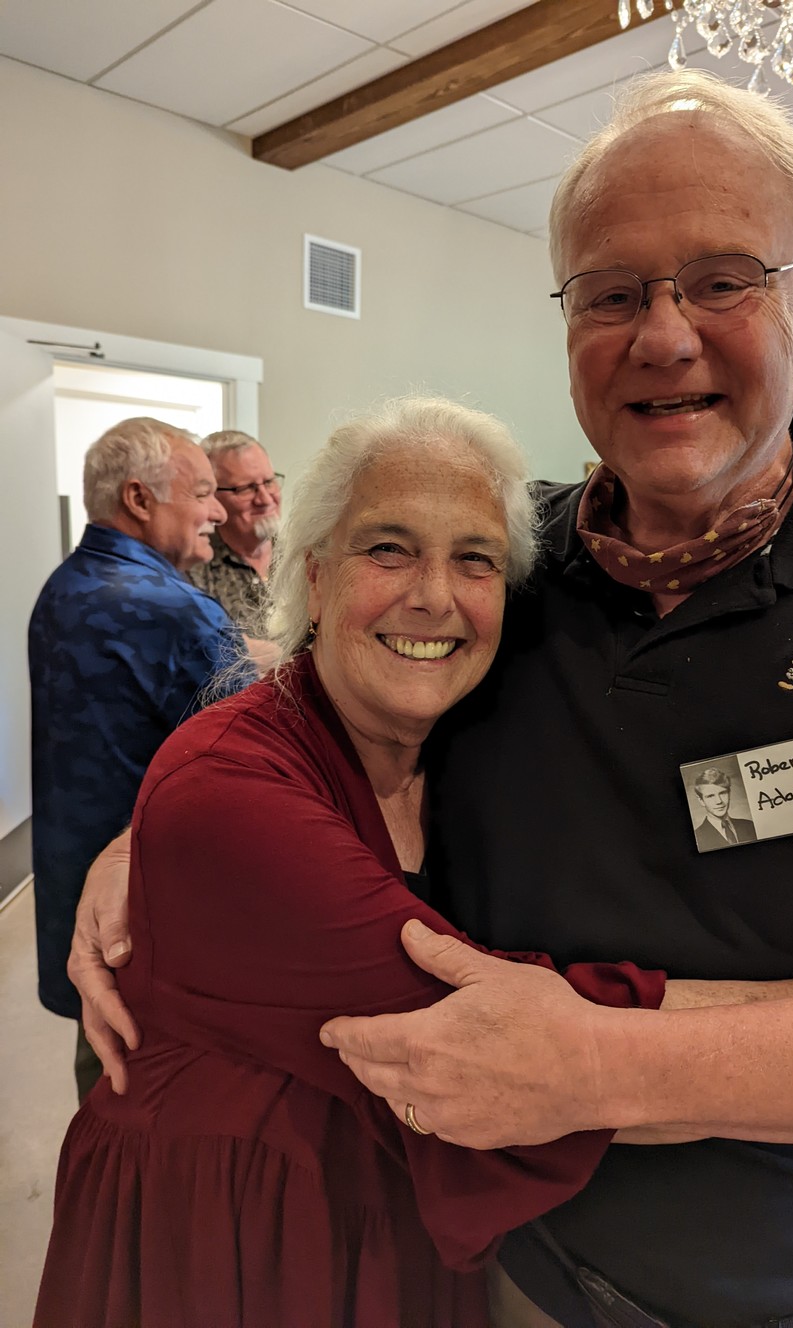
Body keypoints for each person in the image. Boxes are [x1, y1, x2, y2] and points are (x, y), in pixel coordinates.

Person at [69, 72, 793, 1326]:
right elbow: (318, 704)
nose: (663, 335)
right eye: (612, 293)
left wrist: (607, 1061)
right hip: (508, 1272)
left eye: (721, 279)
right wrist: (153, 838)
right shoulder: (508, 567)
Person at [34, 398, 672, 1328]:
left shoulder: (465, 741)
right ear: (317, 575)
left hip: (383, 1214)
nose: (435, 596)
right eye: (388, 548)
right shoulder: (232, 788)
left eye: (476, 558)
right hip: (234, 1241)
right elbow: (493, 1050)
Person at [28, 416, 244, 1101]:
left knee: (99, 1063)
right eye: (204, 493)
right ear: (139, 499)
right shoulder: (175, 612)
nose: (219, 512)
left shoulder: (64, 586)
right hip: (148, 905)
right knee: (152, 1087)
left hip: (74, 882)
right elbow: (256, 757)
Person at [187, 429, 282, 630]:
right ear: (211, 494)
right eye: (245, 488)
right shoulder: (193, 571)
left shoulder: (305, 557)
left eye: (269, 482)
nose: (265, 499)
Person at [691, 766, 756, 851]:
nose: (719, 801)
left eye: (722, 793)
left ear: (729, 793)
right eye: (710, 796)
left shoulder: (750, 826)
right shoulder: (697, 838)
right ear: (701, 801)